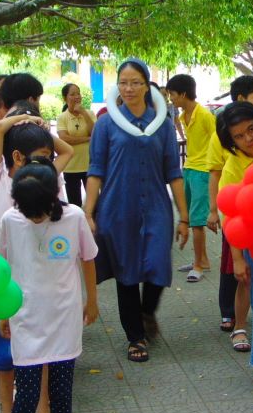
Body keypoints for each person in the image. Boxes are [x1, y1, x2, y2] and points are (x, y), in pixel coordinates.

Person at [0, 162, 99, 413]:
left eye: (39, 212)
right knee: (25, 397)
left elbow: (87, 258)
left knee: (61, 393)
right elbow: (2, 266)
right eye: (29, 212)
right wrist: (2, 311)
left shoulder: (73, 217)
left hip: (64, 316)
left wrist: (91, 300)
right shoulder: (10, 219)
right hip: (26, 316)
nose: (34, 219)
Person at [0, 114, 74, 413]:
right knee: (5, 358)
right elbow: (0, 132)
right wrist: (15, 120)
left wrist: (43, 131)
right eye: (42, 156)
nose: (50, 162)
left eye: (49, 158)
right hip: (1, 281)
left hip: (38, 283)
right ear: (17, 157)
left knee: (41, 355)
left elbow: (68, 154)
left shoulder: (45, 179)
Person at [84, 58, 189, 363]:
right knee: (127, 273)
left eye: (135, 82)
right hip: (118, 207)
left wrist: (184, 217)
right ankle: (135, 337)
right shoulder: (105, 124)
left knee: (158, 267)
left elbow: (174, 171)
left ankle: (146, 312)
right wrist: (88, 212)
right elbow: (95, 171)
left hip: (156, 206)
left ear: (147, 85)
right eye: (123, 83)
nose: (129, 89)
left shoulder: (163, 125)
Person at [206, 76, 253, 334]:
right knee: (243, 278)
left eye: (252, 129)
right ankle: (238, 324)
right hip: (248, 233)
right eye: (239, 136)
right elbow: (229, 212)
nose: (248, 138)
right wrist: (238, 259)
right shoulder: (232, 167)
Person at [167, 73, 215, 281]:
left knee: (196, 221)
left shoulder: (204, 115)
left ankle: (198, 266)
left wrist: (214, 170)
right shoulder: (182, 116)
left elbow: (218, 139)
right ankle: (201, 259)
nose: (171, 99)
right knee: (187, 215)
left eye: (172, 95)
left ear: (183, 94)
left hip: (203, 171)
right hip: (189, 168)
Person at [56, 83, 95, 207]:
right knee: (74, 203)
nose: (77, 96)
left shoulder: (89, 113)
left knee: (93, 202)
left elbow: (95, 132)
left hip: (89, 165)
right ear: (65, 98)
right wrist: (88, 138)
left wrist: (84, 113)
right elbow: (64, 138)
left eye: (78, 93)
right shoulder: (62, 117)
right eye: (72, 94)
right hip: (71, 166)